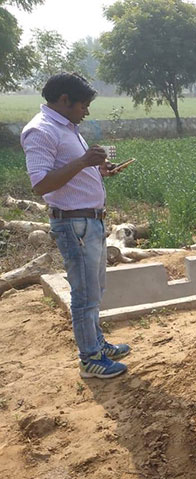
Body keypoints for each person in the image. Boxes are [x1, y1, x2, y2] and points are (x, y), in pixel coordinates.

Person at [20, 73, 131, 379]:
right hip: (73, 224)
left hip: (90, 221)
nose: (87, 111)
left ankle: (97, 343)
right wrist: (84, 162)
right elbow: (40, 183)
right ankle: (90, 358)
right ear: (65, 100)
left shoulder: (67, 128)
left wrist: (99, 169)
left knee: (95, 289)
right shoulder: (40, 131)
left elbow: (71, 172)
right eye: (84, 104)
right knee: (84, 295)